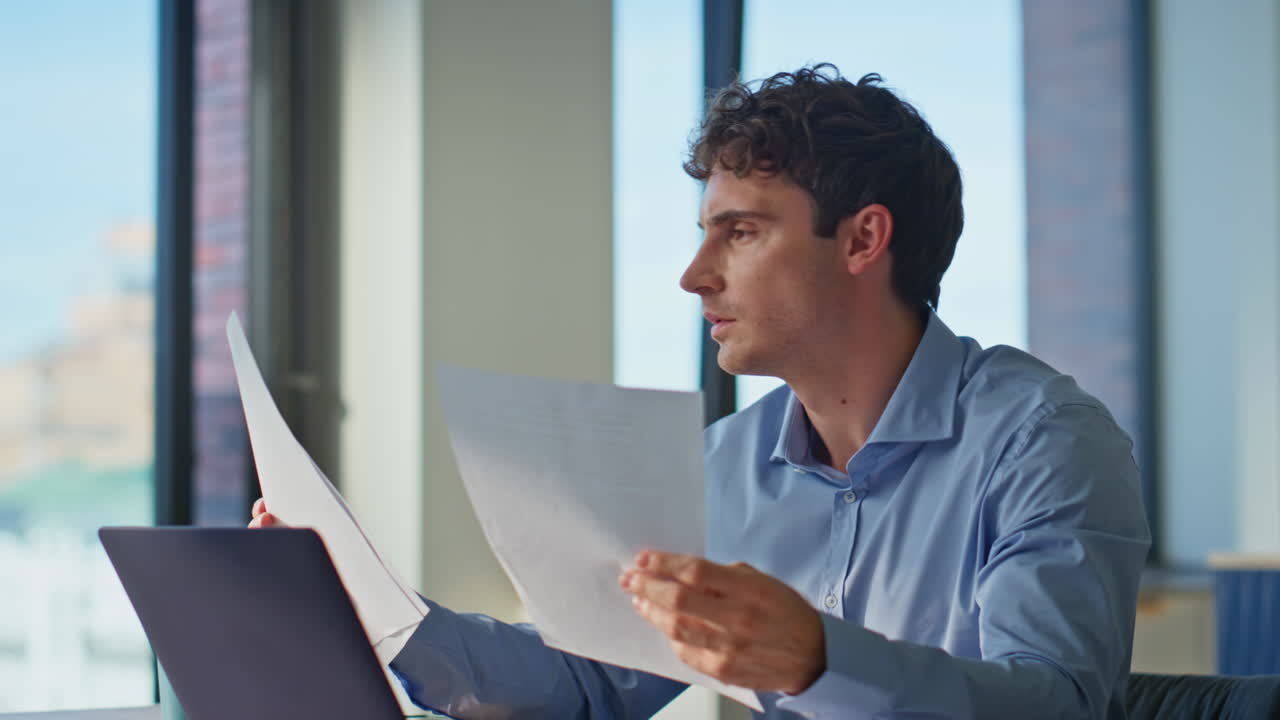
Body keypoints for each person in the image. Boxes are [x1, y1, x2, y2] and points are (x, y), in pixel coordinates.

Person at [251, 65, 1150, 719]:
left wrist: (819, 661)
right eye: (703, 234)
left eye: (741, 233)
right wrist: (369, 601)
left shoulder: (1048, 442)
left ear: (863, 238)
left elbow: (1055, 705)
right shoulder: (725, 464)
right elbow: (589, 683)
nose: (694, 276)